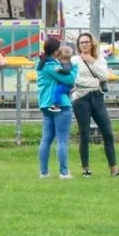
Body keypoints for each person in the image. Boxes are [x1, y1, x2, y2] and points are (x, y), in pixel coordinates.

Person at [72, 32, 119, 177]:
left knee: (107, 132)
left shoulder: (99, 59)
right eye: (81, 42)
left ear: (92, 44)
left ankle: (114, 168)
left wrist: (91, 62)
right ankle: (86, 168)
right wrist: (94, 82)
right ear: (78, 45)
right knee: (84, 133)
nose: (84, 45)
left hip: (97, 97)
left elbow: (104, 75)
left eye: (87, 42)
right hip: (81, 98)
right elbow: (76, 80)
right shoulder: (74, 60)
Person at [36, 38, 76, 178]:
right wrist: (74, 68)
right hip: (60, 104)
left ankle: (44, 172)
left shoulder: (41, 64)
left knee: (46, 139)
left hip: (45, 105)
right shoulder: (51, 66)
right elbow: (69, 79)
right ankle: (64, 172)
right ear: (55, 51)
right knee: (62, 139)